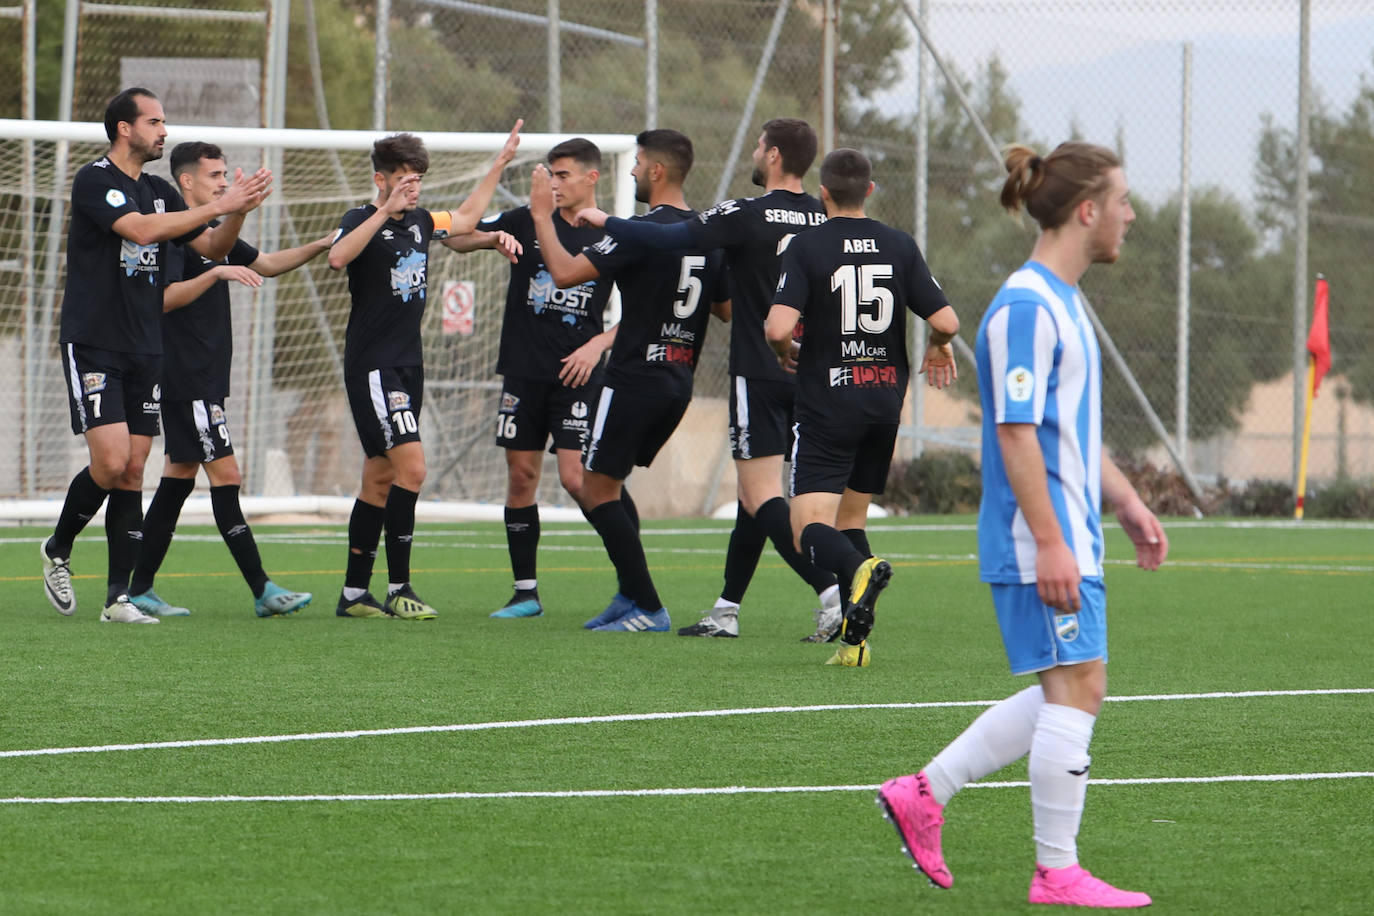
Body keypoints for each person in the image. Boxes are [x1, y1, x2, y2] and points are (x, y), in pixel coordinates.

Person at [875, 142, 1167, 908]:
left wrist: (1127, 502)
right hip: (1040, 538)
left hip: (1068, 531)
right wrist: (1049, 542)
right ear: (1087, 210)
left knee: (1075, 686)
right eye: (1123, 200)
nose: (1131, 216)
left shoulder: (1064, 302)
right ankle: (1055, 871)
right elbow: (1015, 433)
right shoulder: (1027, 307)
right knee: (1077, 686)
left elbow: (1067, 429)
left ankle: (924, 792)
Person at [575, 118, 842, 641]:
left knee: (760, 493)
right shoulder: (824, 215)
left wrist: (604, 219)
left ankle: (835, 592)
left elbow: (671, 234)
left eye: (759, 145)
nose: (753, 151)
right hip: (811, 372)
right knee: (752, 495)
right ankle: (726, 610)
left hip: (761, 369)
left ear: (772, 156)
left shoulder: (744, 213)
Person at [39, 87, 271, 624]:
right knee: (112, 460)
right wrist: (220, 204)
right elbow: (139, 230)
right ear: (125, 128)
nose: (164, 131)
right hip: (96, 341)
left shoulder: (161, 189)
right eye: (155, 121)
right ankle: (58, 547)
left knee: (134, 469)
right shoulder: (95, 179)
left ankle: (118, 598)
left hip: (147, 346)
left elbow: (212, 247)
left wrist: (234, 212)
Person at [764, 148, 958, 666]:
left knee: (807, 530)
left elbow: (778, 328)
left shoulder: (807, 246)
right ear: (869, 191)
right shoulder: (899, 244)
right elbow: (947, 320)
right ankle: (856, 640)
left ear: (822, 192)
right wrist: (938, 345)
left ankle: (861, 570)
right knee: (849, 519)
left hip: (829, 402)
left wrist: (787, 355)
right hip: (883, 402)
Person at [123, 141, 333, 619]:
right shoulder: (175, 237)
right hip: (186, 377)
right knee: (228, 476)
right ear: (187, 182)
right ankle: (262, 589)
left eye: (225, 176)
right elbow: (163, 299)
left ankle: (139, 587)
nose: (223, 182)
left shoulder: (208, 233)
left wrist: (321, 245)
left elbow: (268, 264)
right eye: (216, 176)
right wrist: (216, 276)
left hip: (204, 378)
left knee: (177, 479)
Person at [530, 129, 729, 632]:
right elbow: (725, 308)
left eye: (639, 163)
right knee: (608, 484)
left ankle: (646, 604)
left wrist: (539, 216)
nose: (634, 171)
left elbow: (564, 273)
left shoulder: (639, 230)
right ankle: (629, 594)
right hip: (678, 379)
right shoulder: (706, 233)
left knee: (591, 487)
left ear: (658, 171)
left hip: (633, 376)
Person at [329, 123, 523, 619]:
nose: (413, 186)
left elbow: (462, 221)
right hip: (374, 368)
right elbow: (338, 257)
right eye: (404, 178)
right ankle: (399, 587)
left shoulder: (420, 222)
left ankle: (353, 594)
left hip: (408, 366)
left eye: (418, 178)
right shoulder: (360, 218)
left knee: (378, 478)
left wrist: (497, 169)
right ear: (381, 179)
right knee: (413, 469)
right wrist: (383, 210)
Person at [448, 139, 620, 620]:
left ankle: (633, 579)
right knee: (521, 478)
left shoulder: (610, 234)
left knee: (577, 479)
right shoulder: (524, 218)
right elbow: (455, 238)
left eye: (563, 175)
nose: (553, 183)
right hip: (523, 372)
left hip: (578, 374)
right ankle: (525, 593)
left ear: (592, 178)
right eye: (550, 174)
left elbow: (651, 309)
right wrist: (490, 238)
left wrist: (597, 343)